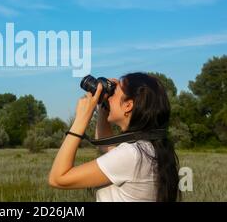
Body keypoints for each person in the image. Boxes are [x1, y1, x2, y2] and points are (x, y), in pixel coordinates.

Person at [48, 72, 180, 202]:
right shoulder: (147, 149)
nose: (109, 96)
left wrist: (81, 119)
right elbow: (107, 148)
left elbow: (58, 179)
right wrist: (103, 105)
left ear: (128, 105)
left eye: (114, 92)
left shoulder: (132, 154)